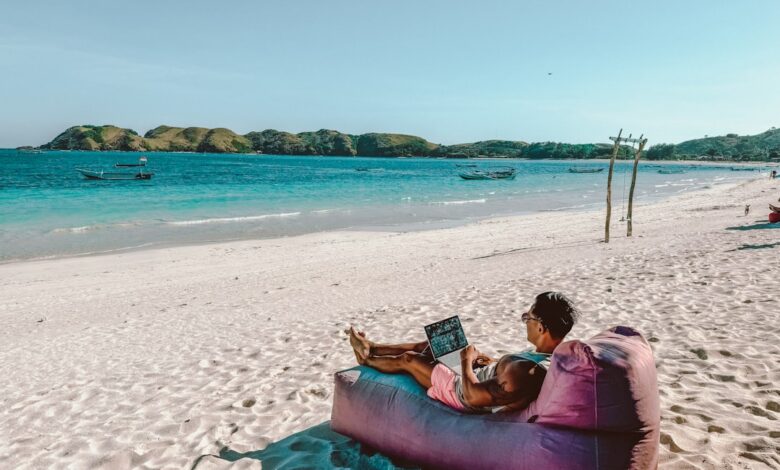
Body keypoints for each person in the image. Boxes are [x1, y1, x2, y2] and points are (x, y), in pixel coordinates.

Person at [346, 291, 579, 413]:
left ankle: (367, 359)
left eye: (527, 317)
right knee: (433, 345)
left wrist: (466, 362)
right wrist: (489, 361)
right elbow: (507, 373)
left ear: (541, 327)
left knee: (410, 360)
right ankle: (374, 346)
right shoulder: (546, 356)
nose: (524, 320)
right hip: (479, 375)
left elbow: (473, 398)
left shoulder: (526, 372)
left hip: (460, 391)